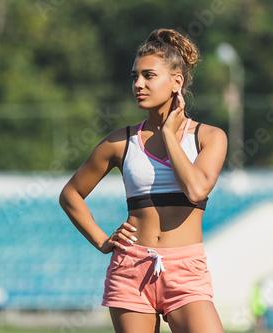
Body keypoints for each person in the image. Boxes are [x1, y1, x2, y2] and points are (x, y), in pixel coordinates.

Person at [59, 28, 227, 333]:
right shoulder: (119, 142)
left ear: (176, 82)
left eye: (149, 76)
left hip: (186, 271)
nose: (138, 84)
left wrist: (168, 135)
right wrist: (102, 240)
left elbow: (196, 189)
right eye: (135, 76)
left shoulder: (210, 137)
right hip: (130, 270)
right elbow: (70, 194)